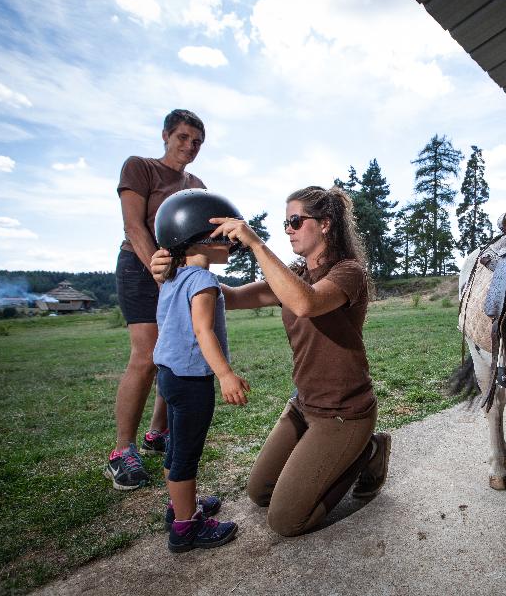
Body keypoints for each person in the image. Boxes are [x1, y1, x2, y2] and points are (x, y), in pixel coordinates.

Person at [151, 185, 391, 537]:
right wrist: (177, 270)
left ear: (325, 224)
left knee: (287, 521)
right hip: (304, 405)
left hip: (344, 411)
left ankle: (366, 452)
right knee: (259, 492)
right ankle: (348, 452)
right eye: (285, 224)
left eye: (295, 221)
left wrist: (257, 244)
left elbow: (305, 303)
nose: (289, 230)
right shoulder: (293, 276)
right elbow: (228, 298)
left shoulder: (348, 272)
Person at [107, 109, 207, 490]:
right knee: (147, 355)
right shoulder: (140, 167)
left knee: (176, 351)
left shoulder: (196, 182)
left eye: (197, 141)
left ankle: (157, 433)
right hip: (139, 265)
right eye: (183, 137)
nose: (190, 146)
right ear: (166, 135)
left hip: (177, 273)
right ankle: (122, 451)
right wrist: (158, 271)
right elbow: (133, 226)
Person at [152, 189, 250, 552]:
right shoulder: (205, 282)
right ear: (197, 236)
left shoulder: (172, 278)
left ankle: (179, 504)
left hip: (169, 376)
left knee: (175, 447)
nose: (229, 241)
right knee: (186, 454)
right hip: (192, 379)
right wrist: (225, 374)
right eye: (222, 235)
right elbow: (202, 330)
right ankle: (185, 526)